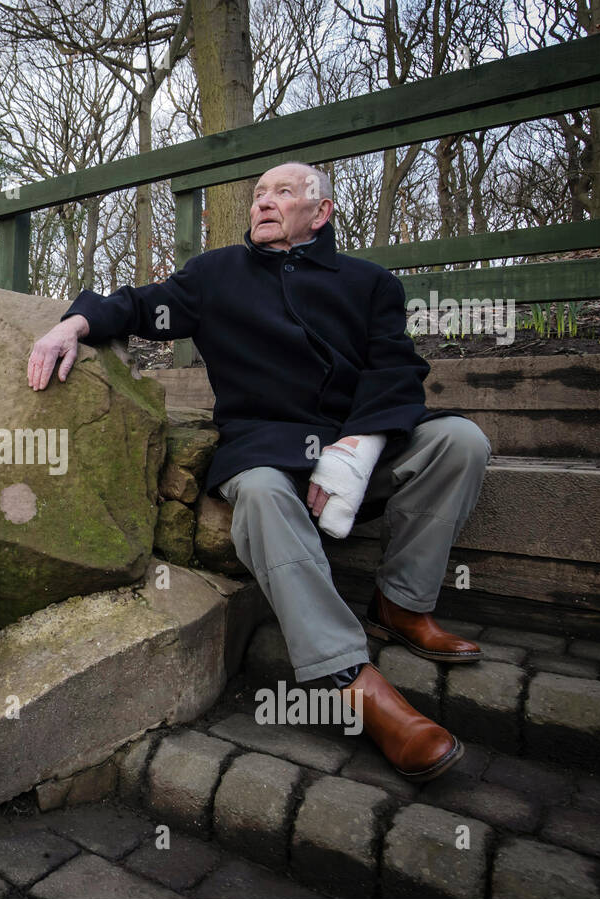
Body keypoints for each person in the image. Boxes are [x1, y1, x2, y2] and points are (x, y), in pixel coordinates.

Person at [27, 161, 492, 782]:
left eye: (283, 193)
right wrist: (75, 323)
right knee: (266, 494)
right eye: (258, 195)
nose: (264, 203)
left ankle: (402, 603)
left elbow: (394, 373)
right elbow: (143, 307)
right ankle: (349, 678)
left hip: (358, 446)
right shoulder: (217, 274)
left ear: (320, 212)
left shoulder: (370, 283)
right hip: (264, 449)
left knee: (459, 440)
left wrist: (356, 448)